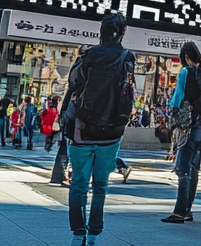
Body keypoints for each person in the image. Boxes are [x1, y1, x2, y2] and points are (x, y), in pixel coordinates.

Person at [63, 13, 137, 245]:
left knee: (79, 184)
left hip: (82, 128)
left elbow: (73, 84)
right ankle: (94, 232)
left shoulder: (88, 55)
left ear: (101, 32)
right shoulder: (128, 57)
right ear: (122, 32)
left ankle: (78, 233)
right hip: (113, 130)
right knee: (101, 184)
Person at [163, 41, 201, 224]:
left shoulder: (187, 72)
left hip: (188, 124)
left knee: (183, 169)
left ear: (186, 57)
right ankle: (188, 210)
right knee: (194, 169)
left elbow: (178, 98)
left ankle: (179, 212)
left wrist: (172, 115)